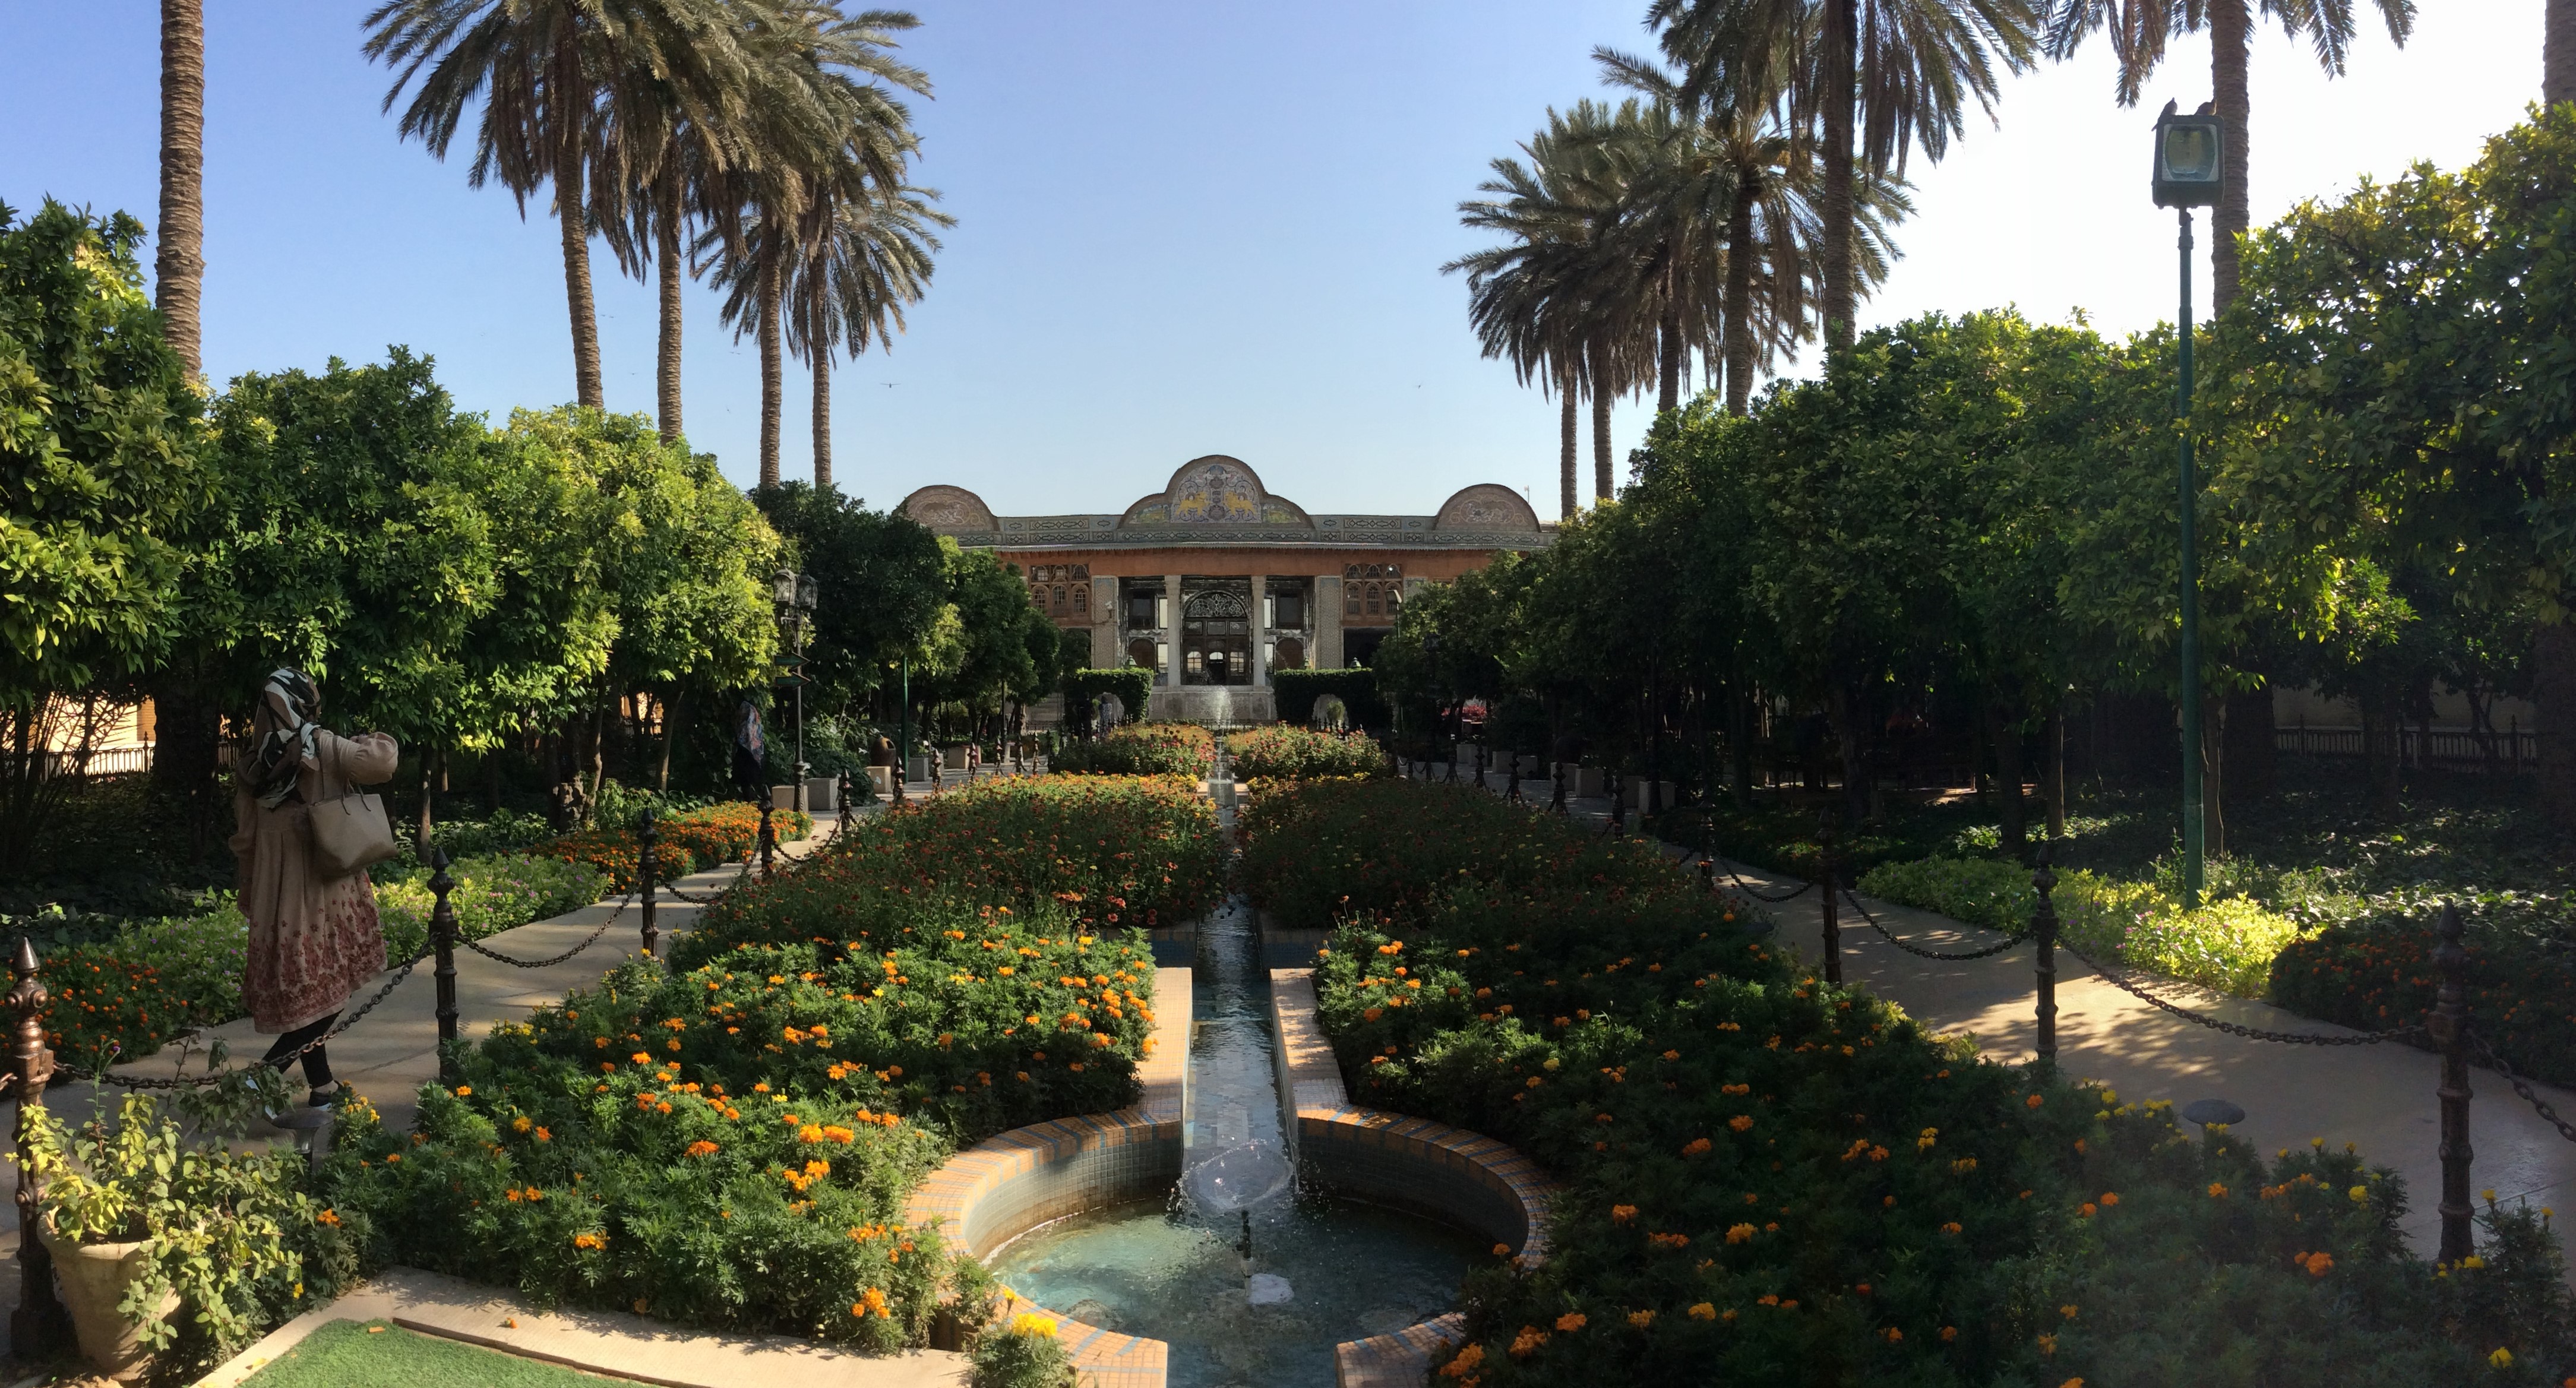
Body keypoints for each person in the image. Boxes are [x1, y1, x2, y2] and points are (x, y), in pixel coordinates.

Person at [229, 668, 399, 1121]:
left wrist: (252, 885)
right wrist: (367, 737)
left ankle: (322, 1085)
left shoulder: (251, 760)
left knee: (310, 989)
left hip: (275, 886)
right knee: (330, 989)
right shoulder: (318, 743)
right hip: (323, 881)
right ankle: (264, 1074)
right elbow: (382, 763)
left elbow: (244, 835)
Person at [732, 698, 767, 804]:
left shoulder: (745, 727)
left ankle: (750, 802)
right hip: (755, 759)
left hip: (745, 759)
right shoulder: (757, 727)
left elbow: (740, 742)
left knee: (746, 783)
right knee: (751, 782)